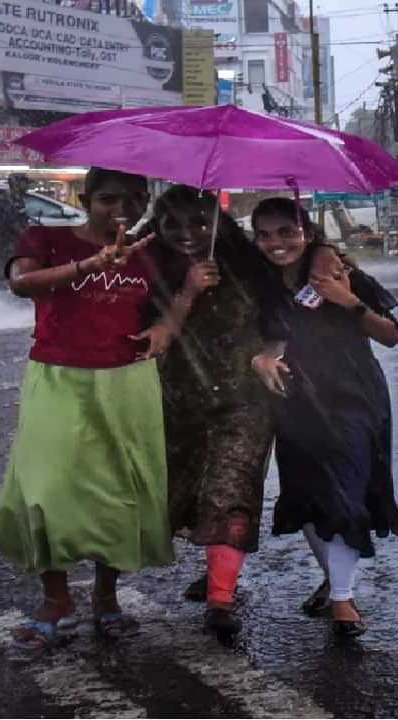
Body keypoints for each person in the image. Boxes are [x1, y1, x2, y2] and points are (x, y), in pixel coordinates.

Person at [0, 167, 182, 660]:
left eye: (136, 197)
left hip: (127, 380)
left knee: (118, 492)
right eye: (109, 198)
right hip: (57, 378)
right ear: (85, 198)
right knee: (46, 490)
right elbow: (21, 283)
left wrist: (169, 324)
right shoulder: (46, 237)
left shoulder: (149, 252)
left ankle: (106, 598)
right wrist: (93, 263)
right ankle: (55, 600)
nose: (123, 207)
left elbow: (176, 302)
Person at [249, 198, 398, 639]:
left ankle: (342, 599)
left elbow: (391, 336)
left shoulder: (338, 272)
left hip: (353, 397)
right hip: (295, 401)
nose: (276, 243)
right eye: (264, 234)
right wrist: (261, 359)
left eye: (286, 231)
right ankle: (336, 583)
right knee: (309, 499)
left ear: (307, 232)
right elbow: (265, 340)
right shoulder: (257, 282)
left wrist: (348, 300)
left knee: (345, 493)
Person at [147, 185, 275, 639]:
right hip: (177, 402)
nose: (187, 233)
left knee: (231, 489)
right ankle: (215, 571)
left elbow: (285, 311)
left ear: (217, 224)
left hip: (244, 402)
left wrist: (268, 353)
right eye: (173, 224)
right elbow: (147, 338)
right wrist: (186, 290)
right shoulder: (146, 269)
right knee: (181, 494)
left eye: (200, 223)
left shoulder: (249, 264)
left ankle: (221, 599)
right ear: (157, 226)